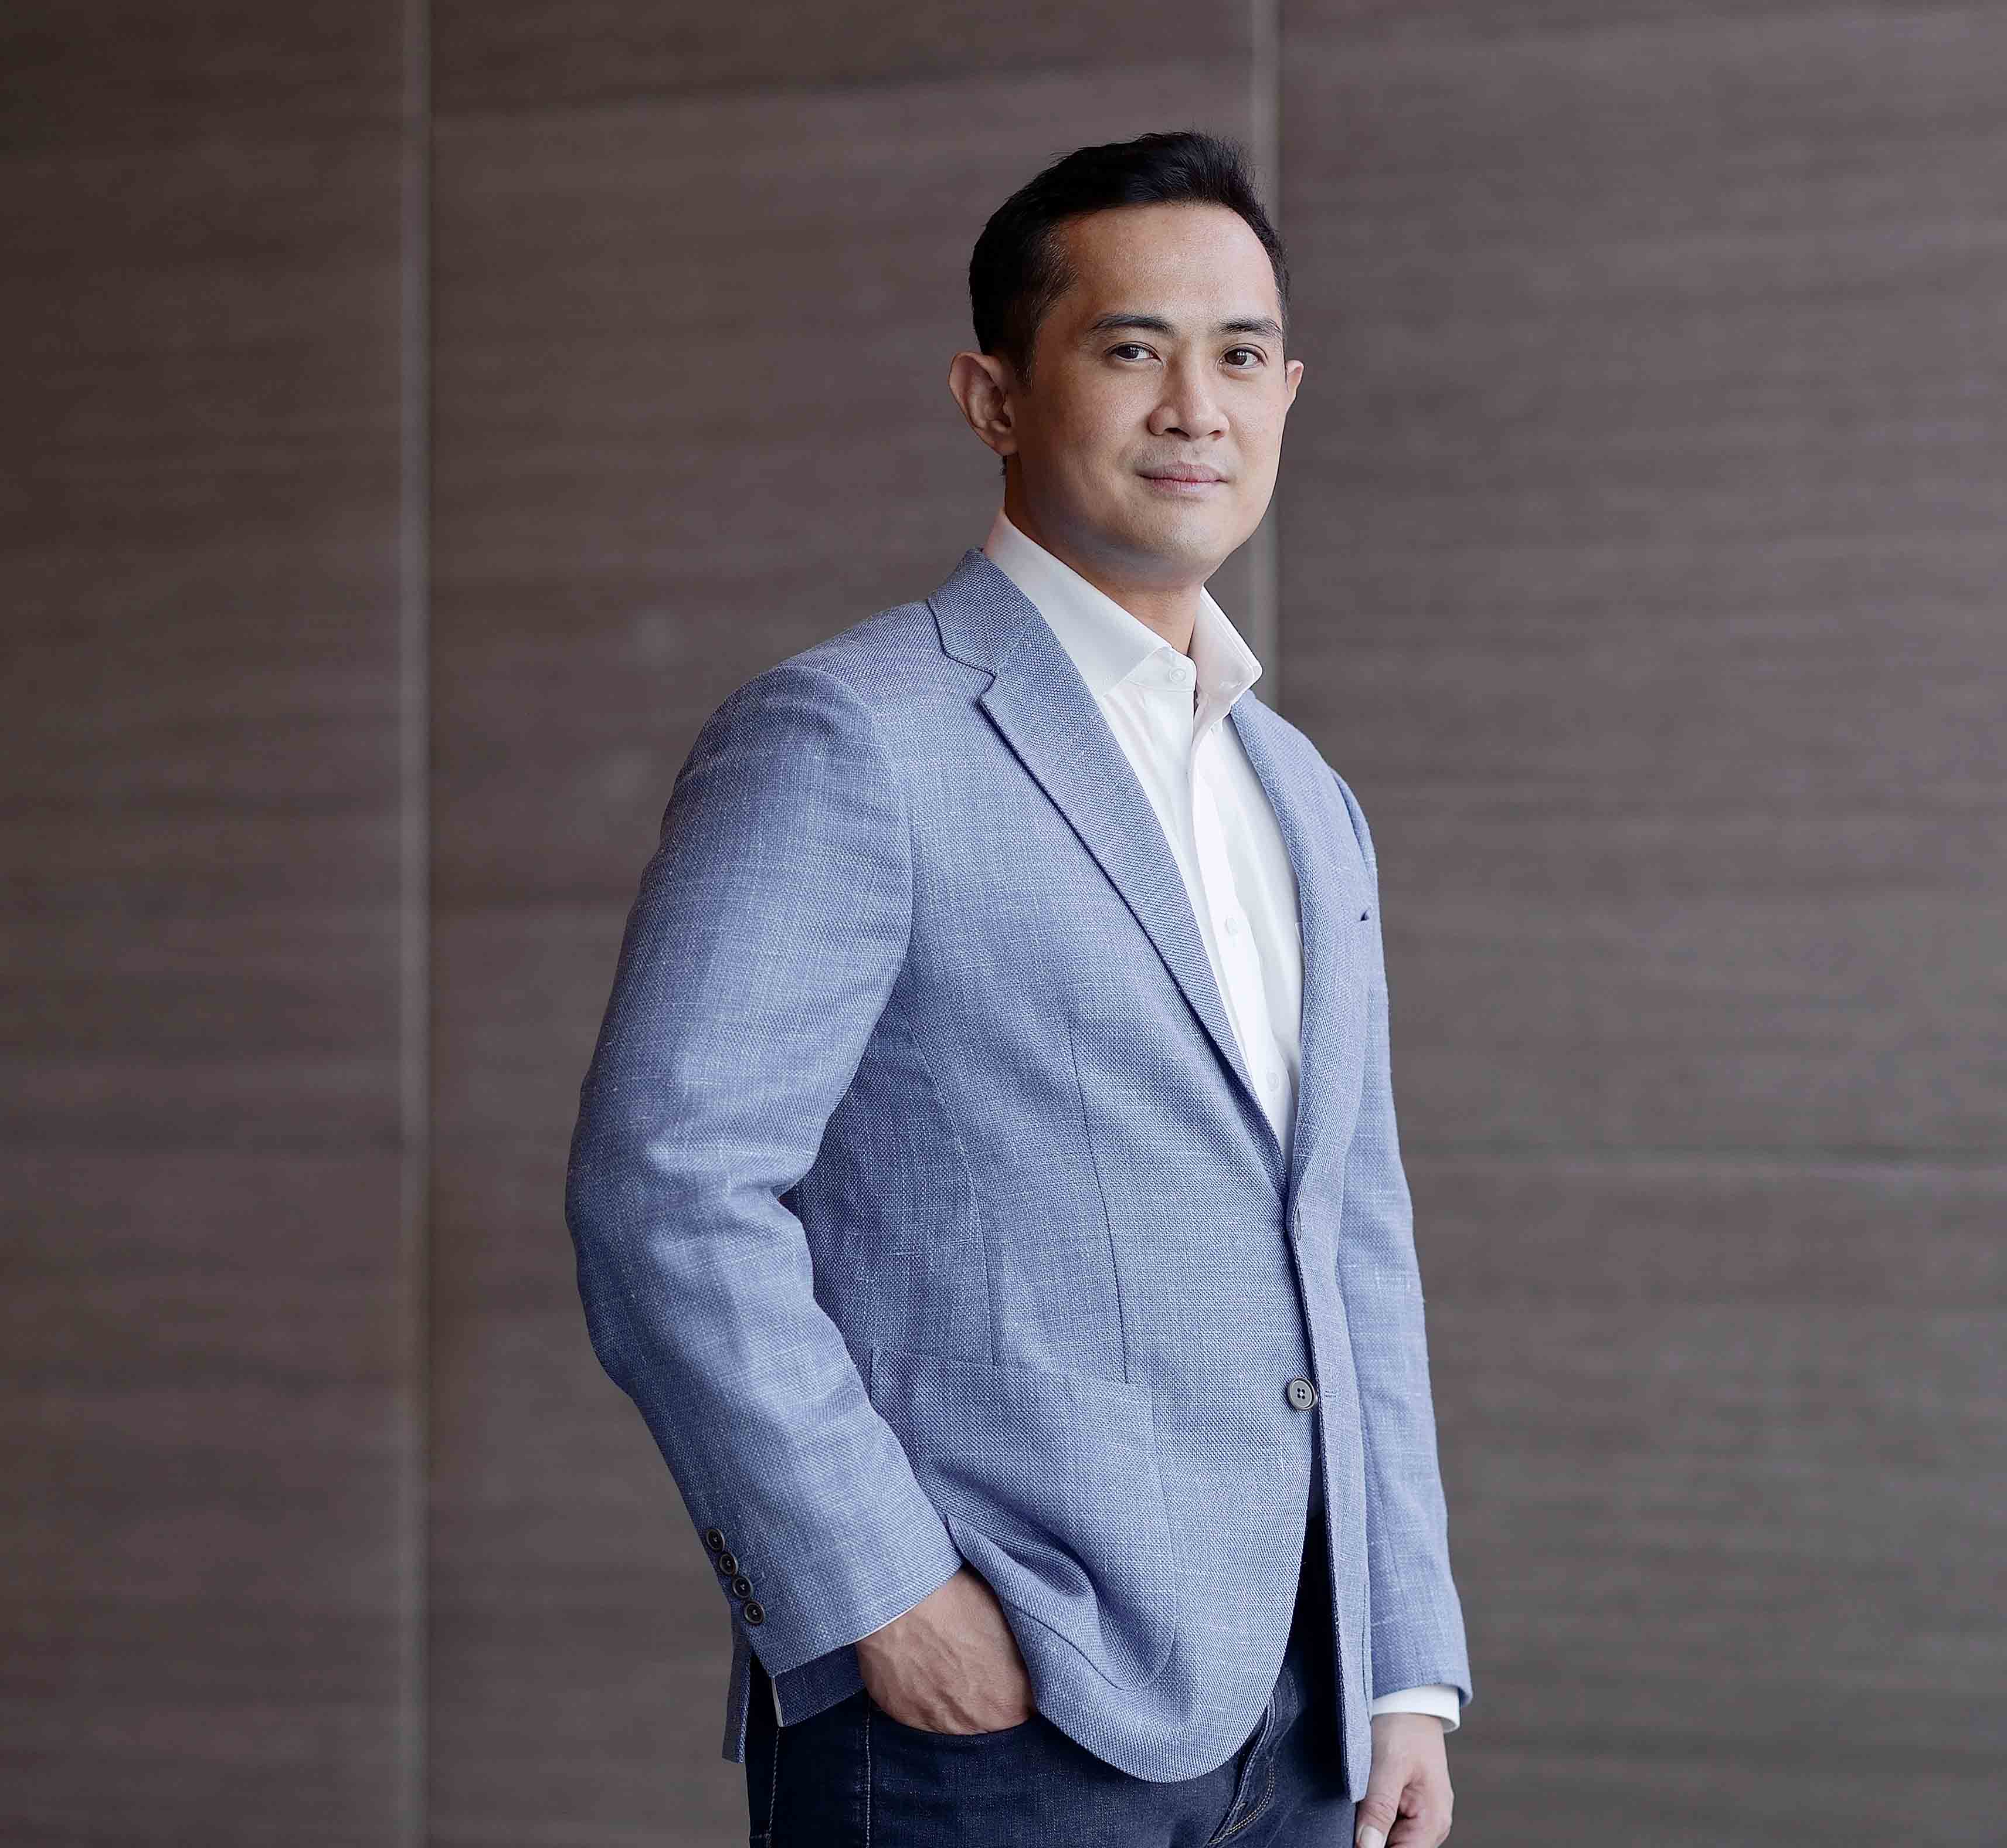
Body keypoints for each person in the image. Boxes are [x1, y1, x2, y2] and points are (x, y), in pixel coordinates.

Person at [565, 129, 1468, 1848]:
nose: (1197, 408)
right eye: (1131, 349)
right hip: (994, 1724)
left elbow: (1353, 1232)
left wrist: (1405, 1660)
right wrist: (876, 1592)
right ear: (993, 398)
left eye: (1242, 356)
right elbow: (662, 1187)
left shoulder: (1303, 795)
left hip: (1306, 1728)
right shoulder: (853, 739)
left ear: (1289, 393)